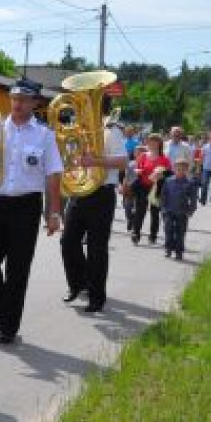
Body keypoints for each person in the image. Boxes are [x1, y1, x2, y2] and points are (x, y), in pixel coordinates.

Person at [0, 77, 63, 345]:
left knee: (17, 270)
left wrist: (54, 212)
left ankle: (8, 327)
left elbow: (53, 175)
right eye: (14, 98)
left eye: (24, 99)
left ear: (35, 103)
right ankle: (5, 311)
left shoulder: (45, 135)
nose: (18, 103)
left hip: (26, 206)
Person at [58, 98, 128, 314]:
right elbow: (71, 158)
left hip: (102, 193)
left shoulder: (111, 130)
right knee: (68, 241)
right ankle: (78, 284)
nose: (80, 110)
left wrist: (95, 161)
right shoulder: (78, 129)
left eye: (85, 105)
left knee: (97, 248)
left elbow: (123, 161)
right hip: (79, 192)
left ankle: (97, 296)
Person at [129, 133, 170, 245]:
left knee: (154, 212)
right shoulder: (143, 156)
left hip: (157, 187)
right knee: (139, 210)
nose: (152, 144)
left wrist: (161, 174)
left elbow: (169, 174)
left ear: (159, 144)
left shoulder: (164, 158)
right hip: (142, 186)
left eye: (154, 141)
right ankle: (136, 233)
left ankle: (153, 235)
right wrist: (138, 171)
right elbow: (136, 169)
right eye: (150, 141)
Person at [161, 158, 196, 261]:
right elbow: (164, 195)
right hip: (169, 210)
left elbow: (193, 198)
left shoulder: (189, 182)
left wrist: (191, 210)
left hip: (182, 211)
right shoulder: (168, 181)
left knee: (180, 232)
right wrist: (163, 208)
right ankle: (168, 248)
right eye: (178, 169)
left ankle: (179, 251)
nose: (180, 171)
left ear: (186, 170)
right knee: (168, 230)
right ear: (174, 169)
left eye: (183, 169)